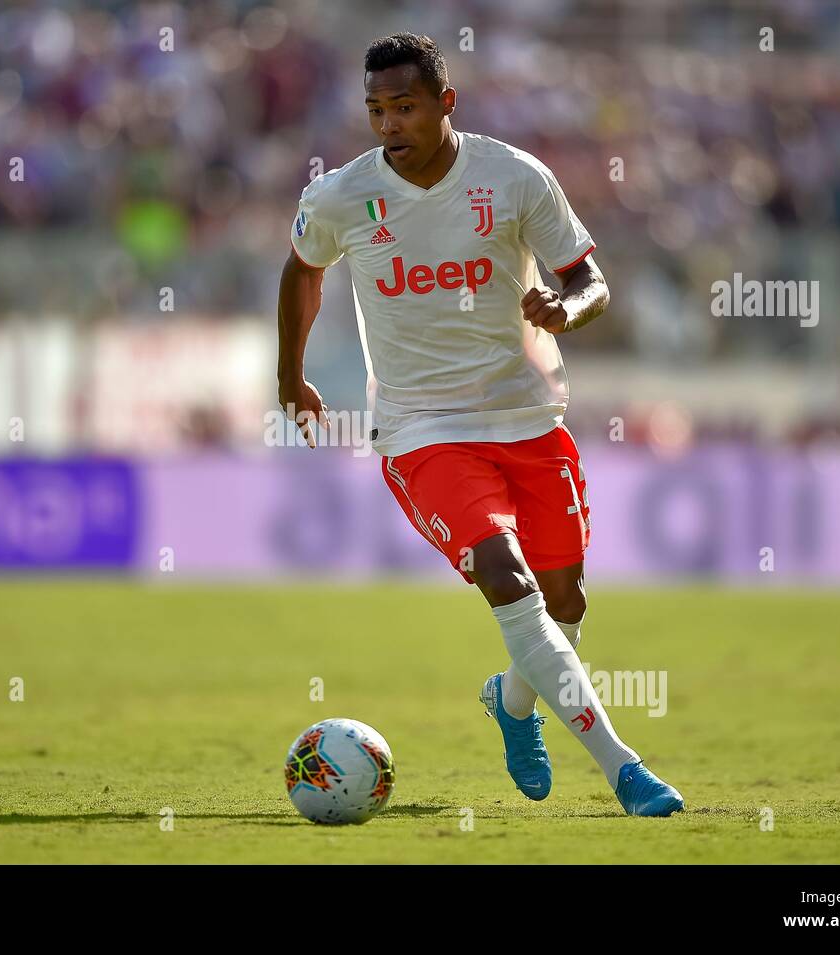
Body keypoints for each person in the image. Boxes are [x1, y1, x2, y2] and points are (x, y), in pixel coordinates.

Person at [276, 33, 683, 816]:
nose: (389, 123)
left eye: (404, 106)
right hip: (422, 430)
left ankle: (513, 702)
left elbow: (588, 277)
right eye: (376, 109)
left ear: (444, 103)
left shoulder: (515, 176)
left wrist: (567, 309)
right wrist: (289, 376)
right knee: (507, 574)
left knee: (565, 602)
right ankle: (626, 769)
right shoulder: (340, 196)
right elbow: (301, 269)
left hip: (527, 418)